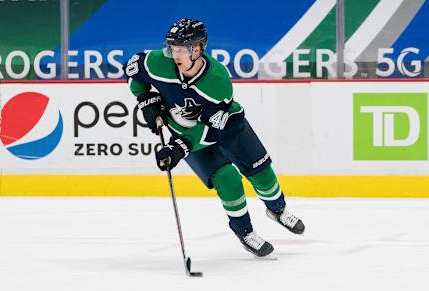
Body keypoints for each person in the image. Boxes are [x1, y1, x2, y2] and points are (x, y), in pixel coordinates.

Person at [124, 18, 305, 258]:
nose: (174, 54)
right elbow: (132, 69)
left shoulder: (217, 82)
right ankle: (245, 233)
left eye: (180, 49)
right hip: (186, 133)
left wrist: (181, 146)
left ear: (197, 49)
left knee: (261, 174)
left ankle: (277, 210)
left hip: (227, 127)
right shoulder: (158, 62)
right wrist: (145, 99)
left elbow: (212, 129)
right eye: (172, 48)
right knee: (227, 178)